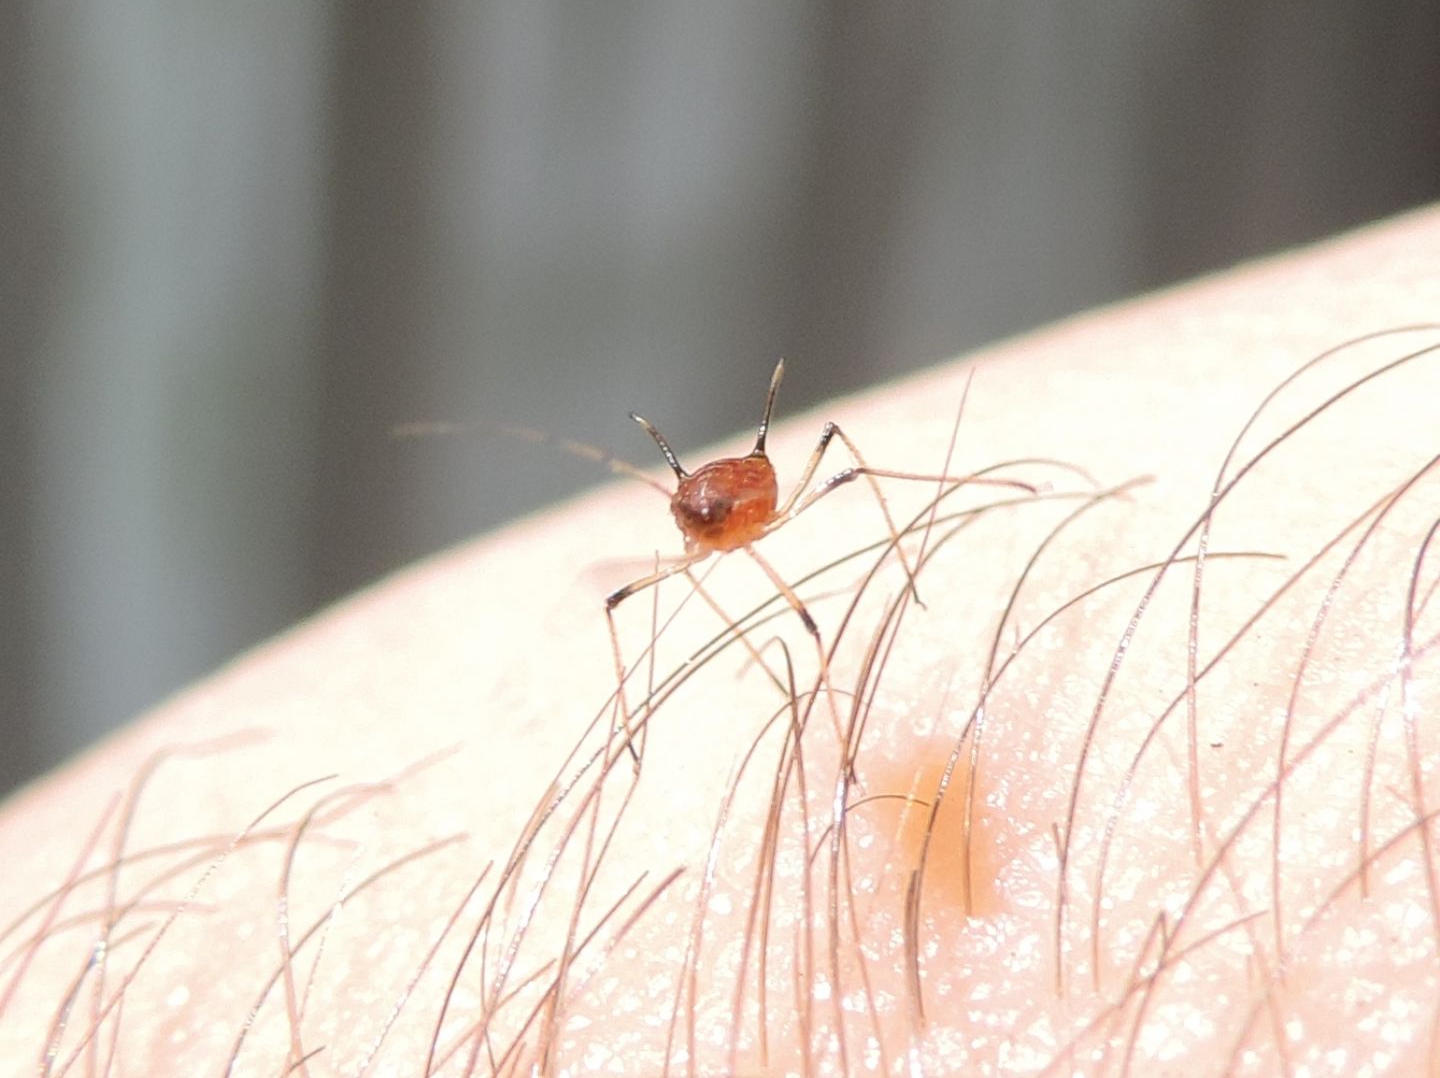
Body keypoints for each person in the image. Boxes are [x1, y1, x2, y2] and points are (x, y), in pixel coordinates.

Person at [4, 206, 1439, 1075]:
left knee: (811, 475)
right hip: (713, 517)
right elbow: (679, 505)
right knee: (662, 559)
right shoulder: (687, 528)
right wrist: (691, 524)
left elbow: (776, 466)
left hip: (748, 506)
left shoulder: (768, 499)